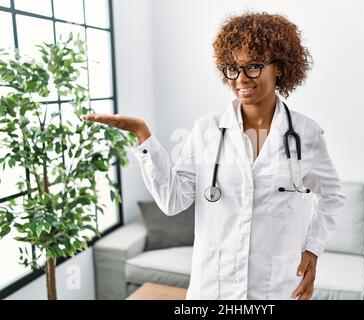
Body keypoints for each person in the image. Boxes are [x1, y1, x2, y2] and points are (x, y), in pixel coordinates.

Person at [83, 12, 345, 300]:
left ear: (279, 68)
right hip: (215, 287)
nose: (241, 78)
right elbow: (173, 200)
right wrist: (143, 134)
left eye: (254, 66)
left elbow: (331, 196)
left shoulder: (306, 135)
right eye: (232, 68)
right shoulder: (206, 130)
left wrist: (313, 249)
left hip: (277, 286)